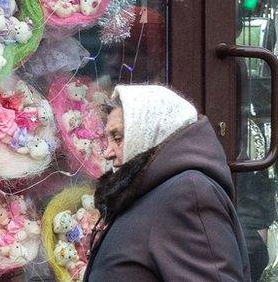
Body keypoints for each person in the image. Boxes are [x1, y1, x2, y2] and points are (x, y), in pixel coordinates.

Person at [84, 85, 250, 282]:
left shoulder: (188, 194)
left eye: (118, 138)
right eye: (108, 139)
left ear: (152, 131)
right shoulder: (145, 193)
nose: (108, 152)